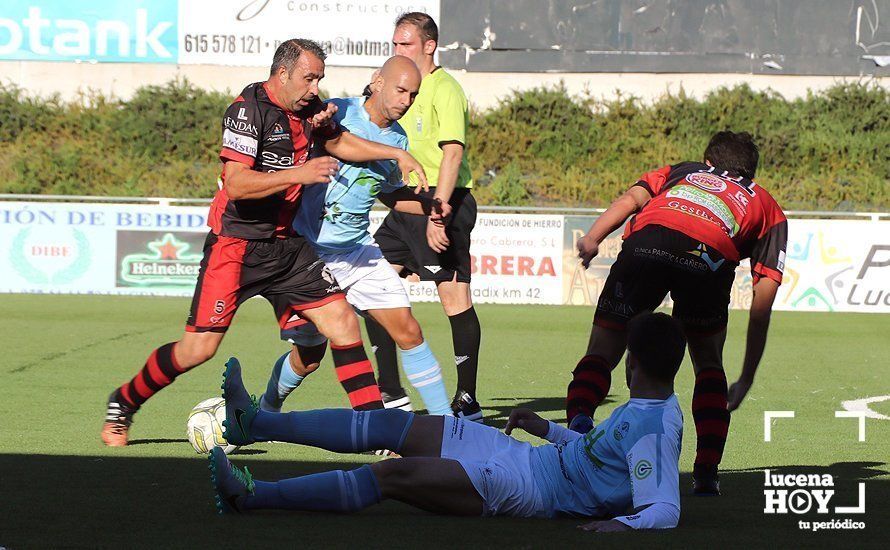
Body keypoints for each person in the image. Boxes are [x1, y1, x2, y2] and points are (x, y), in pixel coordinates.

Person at [101, 38, 428, 446]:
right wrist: (300, 174)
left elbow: (339, 142)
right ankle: (124, 402)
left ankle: (378, 435)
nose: (315, 88)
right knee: (198, 350)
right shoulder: (246, 111)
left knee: (343, 324)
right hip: (236, 247)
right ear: (282, 73)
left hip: (289, 247)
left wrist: (395, 155)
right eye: (309, 78)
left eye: (319, 79)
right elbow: (236, 185)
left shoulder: (309, 107)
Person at [209, 312, 684, 531]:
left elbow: (662, 509)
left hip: (530, 490)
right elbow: (603, 458)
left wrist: (622, 527)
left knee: (391, 474)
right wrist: (548, 429)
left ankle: (250, 497)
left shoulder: (654, 427)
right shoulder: (648, 404)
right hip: (527, 455)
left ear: (629, 362)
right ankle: (255, 424)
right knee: (388, 427)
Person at [566, 131, 787, 495]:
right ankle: (705, 473)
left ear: (709, 161)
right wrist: (746, 376)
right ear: (752, 172)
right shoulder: (766, 204)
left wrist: (593, 238)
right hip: (708, 258)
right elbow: (762, 303)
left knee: (602, 352)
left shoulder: (684, 170)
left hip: (648, 243)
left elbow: (631, 199)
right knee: (707, 362)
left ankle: (577, 430)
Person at [258, 56, 453, 417]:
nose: (405, 101)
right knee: (309, 356)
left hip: (357, 250)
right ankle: (267, 408)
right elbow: (335, 144)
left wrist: (430, 206)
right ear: (377, 81)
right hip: (307, 250)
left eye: (413, 95)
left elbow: (390, 194)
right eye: (400, 90)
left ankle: (449, 425)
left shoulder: (399, 137)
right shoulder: (340, 111)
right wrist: (399, 154)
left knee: (409, 331)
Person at [364, 12, 483, 420]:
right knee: (371, 286)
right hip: (408, 202)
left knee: (454, 297)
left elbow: (453, 151)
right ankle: (391, 394)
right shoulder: (398, 85)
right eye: (395, 44)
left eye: (406, 44)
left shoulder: (445, 87)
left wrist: (439, 211)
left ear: (429, 46)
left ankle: (467, 402)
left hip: (444, 200)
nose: (398, 51)